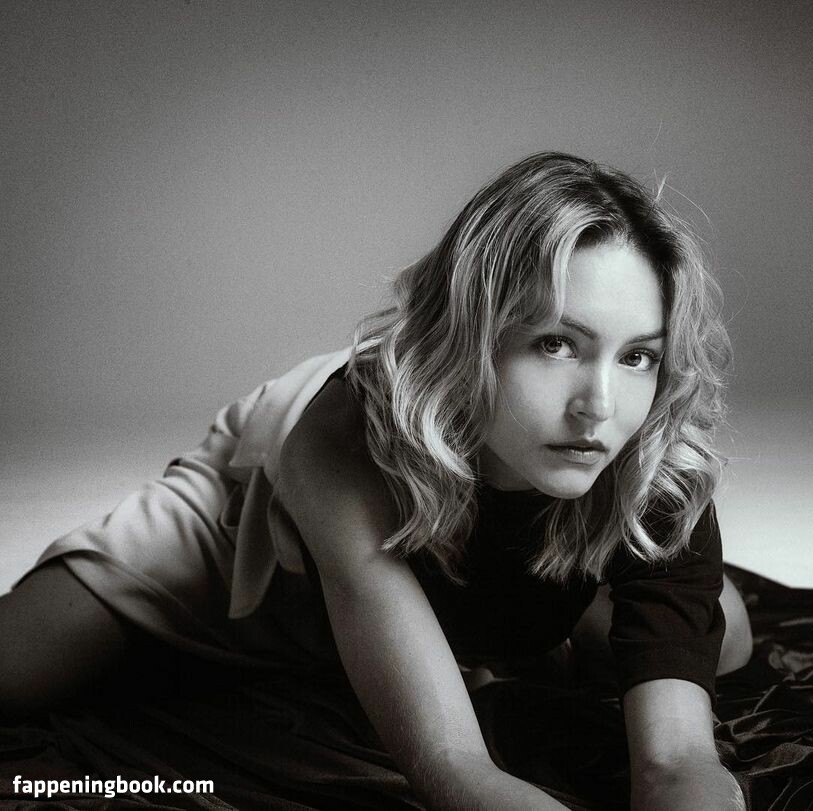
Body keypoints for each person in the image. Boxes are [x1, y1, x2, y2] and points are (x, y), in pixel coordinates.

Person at [0, 152, 752, 809]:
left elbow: (677, 762)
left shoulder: (651, 459)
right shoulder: (343, 438)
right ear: (473, 333)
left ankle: (501, 622)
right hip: (243, 537)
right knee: (16, 669)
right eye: (556, 343)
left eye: (637, 356)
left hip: (461, 559)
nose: (600, 407)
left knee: (725, 638)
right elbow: (454, 770)